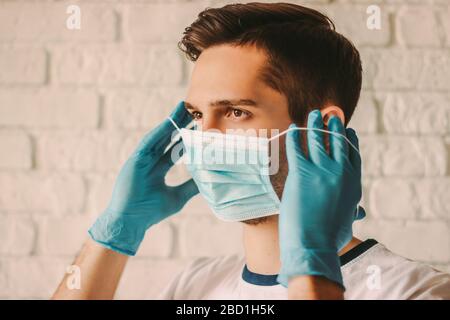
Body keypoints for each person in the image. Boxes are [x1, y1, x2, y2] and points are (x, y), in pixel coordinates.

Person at [52, 3, 450, 300]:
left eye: (236, 111)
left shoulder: (414, 291)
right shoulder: (195, 287)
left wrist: (311, 261)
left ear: (323, 131)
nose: (203, 139)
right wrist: (113, 234)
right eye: (195, 114)